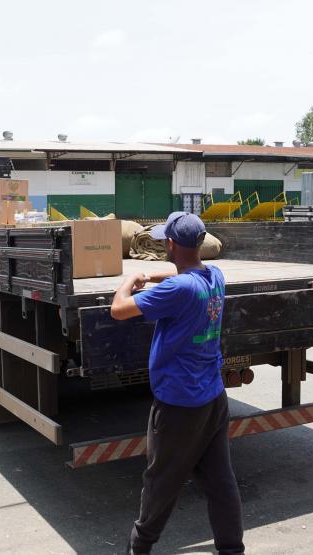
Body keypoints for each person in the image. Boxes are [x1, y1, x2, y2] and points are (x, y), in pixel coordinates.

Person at [110, 212, 244, 555]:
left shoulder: (177, 289)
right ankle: (232, 550)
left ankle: (138, 548)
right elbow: (181, 274)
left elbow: (119, 310)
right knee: (220, 481)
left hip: (179, 405)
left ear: (170, 244)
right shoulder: (214, 276)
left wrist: (130, 280)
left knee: (160, 483)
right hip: (213, 398)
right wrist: (153, 274)